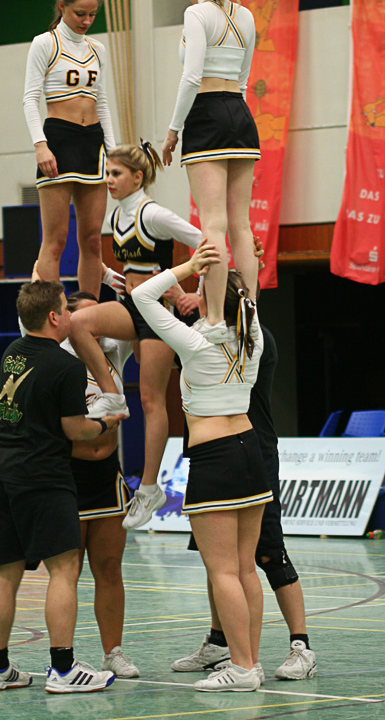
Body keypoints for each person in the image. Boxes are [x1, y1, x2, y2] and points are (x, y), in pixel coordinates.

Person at [132, 245, 272, 692]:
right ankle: (250, 661)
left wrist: (188, 266)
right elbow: (240, 298)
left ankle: (243, 667)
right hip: (250, 450)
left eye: (200, 288)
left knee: (223, 570)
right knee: (245, 568)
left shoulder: (193, 342)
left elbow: (142, 298)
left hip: (215, 458)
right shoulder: (254, 337)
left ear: (211, 300)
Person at [0, 280, 124, 695]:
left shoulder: (12, 352)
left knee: (6, 574)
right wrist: (105, 421)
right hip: (43, 476)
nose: (71, 315)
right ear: (54, 317)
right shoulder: (66, 367)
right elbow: (74, 428)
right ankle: (62, 669)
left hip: (2, 474)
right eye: (67, 308)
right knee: (64, 569)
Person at [68, 142, 205, 530]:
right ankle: (112, 395)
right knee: (79, 324)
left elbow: (204, 243)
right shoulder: (118, 215)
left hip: (157, 314)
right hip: (131, 305)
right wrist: (115, 277)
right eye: (107, 173)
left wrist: (195, 292)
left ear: (138, 177)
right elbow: (134, 266)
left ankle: (148, 488)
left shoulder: (154, 213)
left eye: (115, 174)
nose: (108, 181)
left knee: (151, 400)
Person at [171, 325, 317, 681]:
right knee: (218, 561)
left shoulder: (252, 338)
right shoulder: (203, 337)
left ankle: (301, 646)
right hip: (212, 457)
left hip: (252, 451)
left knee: (268, 554)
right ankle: (221, 642)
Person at [161, 0, 260, 332]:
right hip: (240, 114)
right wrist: (236, 118)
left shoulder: (196, 13)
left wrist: (173, 131)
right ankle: (250, 314)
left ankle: (217, 318)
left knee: (213, 224)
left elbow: (191, 76)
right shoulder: (247, 16)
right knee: (242, 225)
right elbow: (244, 80)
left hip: (206, 114)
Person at [23, 0, 115, 298]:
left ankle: (89, 313)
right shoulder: (45, 43)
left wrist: (113, 151)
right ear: (62, 7)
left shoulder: (97, 49)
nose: (86, 21)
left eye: (92, 15)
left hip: (93, 141)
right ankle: (53, 318)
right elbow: (30, 98)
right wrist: (41, 146)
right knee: (56, 239)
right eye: (80, 14)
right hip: (59, 140)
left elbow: (101, 100)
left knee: (91, 239)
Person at [65, 291, 140, 678]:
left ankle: (114, 653)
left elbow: (143, 313)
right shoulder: (58, 355)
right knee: (68, 571)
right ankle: (65, 656)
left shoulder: (114, 349)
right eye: (84, 315)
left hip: (107, 473)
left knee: (109, 567)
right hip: (67, 475)